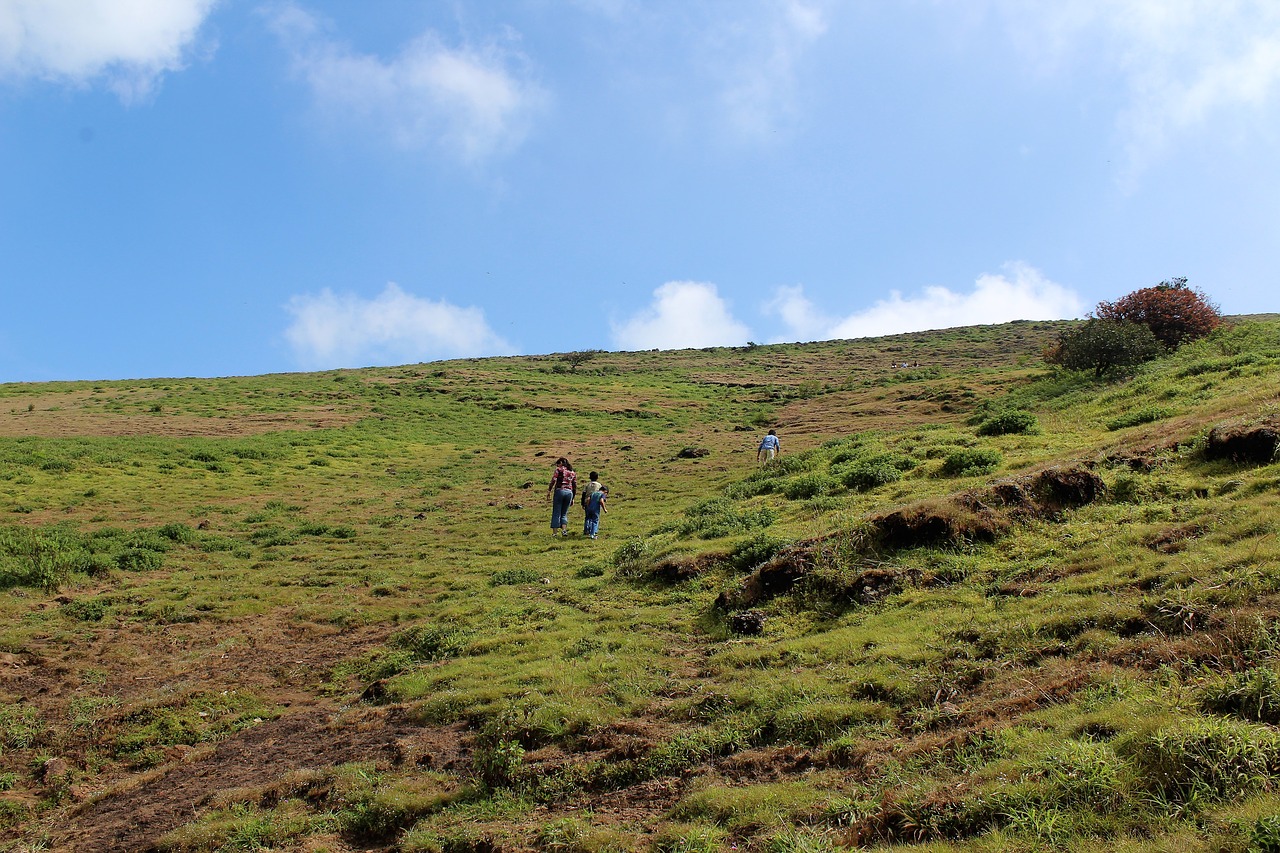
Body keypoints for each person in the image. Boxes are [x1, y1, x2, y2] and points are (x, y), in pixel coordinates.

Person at [547, 457, 577, 535]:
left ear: (560, 463)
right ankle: (564, 530)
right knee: (564, 513)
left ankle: (555, 533)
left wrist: (549, 490)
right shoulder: (572, 472)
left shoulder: (559, 470)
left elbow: (554, 479)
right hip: (569, 493)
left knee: (556, 512)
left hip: (560, 491)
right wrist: (573, 497)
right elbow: (574, 485)